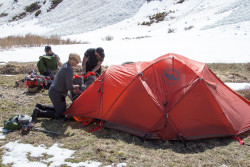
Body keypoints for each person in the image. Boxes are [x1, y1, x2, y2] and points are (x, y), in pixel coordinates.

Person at [32, 53, 81, 120]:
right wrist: (76, 86)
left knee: (59, 109)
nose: (78, 64)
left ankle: (40, 106)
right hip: (57, 94)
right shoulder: (69, 70)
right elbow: (69, 87)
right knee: (61, 114)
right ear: (72, 59)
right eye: (77, 61)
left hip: (54, 90)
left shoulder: (65, 65)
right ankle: (39, 112)